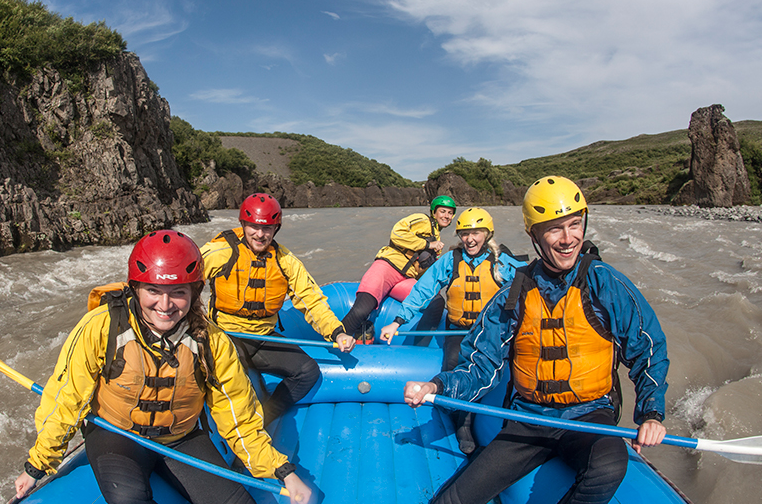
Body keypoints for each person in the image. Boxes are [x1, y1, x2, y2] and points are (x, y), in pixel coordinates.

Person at [404, 176, 669, 504]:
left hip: (589, 418)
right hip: (527, 419)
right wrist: (436, 386)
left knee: (609, 467)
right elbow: (479, 366)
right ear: (534, 235)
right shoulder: (513, 295)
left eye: (575, 225)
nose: (568, 238)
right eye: (554, 229)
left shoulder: (606, 283)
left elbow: (647, 348)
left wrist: (651, 413)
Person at [15, 230, 311, 504]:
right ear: (136, 288)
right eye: (154, 291)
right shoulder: (101, 326)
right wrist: (37, 465)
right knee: (128, 498)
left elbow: (239, 417)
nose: (165, 306)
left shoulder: (212, 342)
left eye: (178, 293)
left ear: (194, 293)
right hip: (116, 436)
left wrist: (281, 471)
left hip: (182, 438)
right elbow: (67, 397)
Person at [379, 207, 527, 454]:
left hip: (489, 333)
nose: (469, 239)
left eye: (476, 233)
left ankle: (481, 421)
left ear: (488, 234)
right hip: (458, 330)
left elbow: (527, 283)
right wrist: (397, 321)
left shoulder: (502, 261)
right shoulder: (451, 260)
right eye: (464, 233)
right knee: (453, 364)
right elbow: (423, 290)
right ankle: (463, 423)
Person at [201, 193, 355, 426]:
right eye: (254, 227)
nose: (260, 234)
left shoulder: (285, 261)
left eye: (267, 228)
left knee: (307, 372)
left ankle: (266, 415)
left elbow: (311, 299)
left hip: (262, 336)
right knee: (234, 380)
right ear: (243, 224)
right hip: (226, 335)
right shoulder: (221, 251)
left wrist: (337, 331)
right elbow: (185, 280)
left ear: (276, 229)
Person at [341, 195, 457, 342]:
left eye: (450, 213)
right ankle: (332, 345)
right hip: (387, 268)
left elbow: (423, 272)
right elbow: (397, 233)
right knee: (361, 310)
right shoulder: (422, 220)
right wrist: (427, 245)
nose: (446, 216)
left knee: (436, 302)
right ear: (434, 212)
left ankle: (418, 349)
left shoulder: (437, 238)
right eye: (443, 211)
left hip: (405, 279)